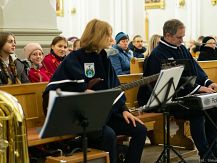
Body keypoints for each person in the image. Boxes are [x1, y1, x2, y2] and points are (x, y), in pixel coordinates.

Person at [43, 19, 147, 163]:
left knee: (139, 129)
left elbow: (113, 85)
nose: (111, 39)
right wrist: (83, 91)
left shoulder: (103, 56)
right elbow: (57, 88)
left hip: (105, 113)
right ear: (97, 36)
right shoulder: (74, 58)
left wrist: (123, 109)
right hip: (80, 116)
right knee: (108, 135)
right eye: (108, 35)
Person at [137, 19, 217, 161]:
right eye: (179, 37)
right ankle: (205, 154)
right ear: (168, 35)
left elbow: (196, 69)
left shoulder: (181, 48)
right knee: (197, 111)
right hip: (163, 99)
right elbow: (167, 84)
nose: (182, 40)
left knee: (213, 107)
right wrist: (198, 88)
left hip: (185, 94)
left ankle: (214, 150)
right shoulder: (157, 55)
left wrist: (208, 82)